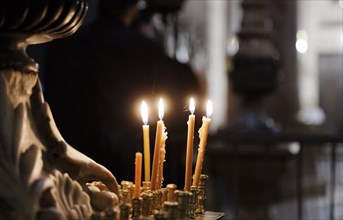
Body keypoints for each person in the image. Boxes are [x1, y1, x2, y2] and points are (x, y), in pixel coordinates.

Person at [43, 0, 203, 184]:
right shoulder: (141, 47)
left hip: (70, 163)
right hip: (128, 164)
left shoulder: (64, 46)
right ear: (134, 8)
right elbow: (182, 94)